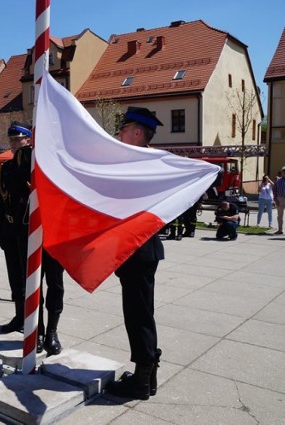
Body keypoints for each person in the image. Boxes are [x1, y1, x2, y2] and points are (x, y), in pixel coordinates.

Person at [106, 107, 164, 400]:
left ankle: (142, 379)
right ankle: (147, 375)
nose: (120, 133)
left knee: (138, 315)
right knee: (142, 313)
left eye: (124, 128)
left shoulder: (142, 164)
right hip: (141, 250)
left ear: (138, 132)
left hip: (138, 250)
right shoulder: (148, 162)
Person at [0, 121, 64, 355]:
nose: (14, 144)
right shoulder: (8, 168)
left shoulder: (46, 163)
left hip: (53, 233)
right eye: (12, 140)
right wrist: (2, 232)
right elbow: (5, 201)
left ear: (29, 139)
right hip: (24, 233)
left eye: (19, 140)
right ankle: (38, 330)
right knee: (32, 286)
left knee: (55, 285)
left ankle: (53, 331)